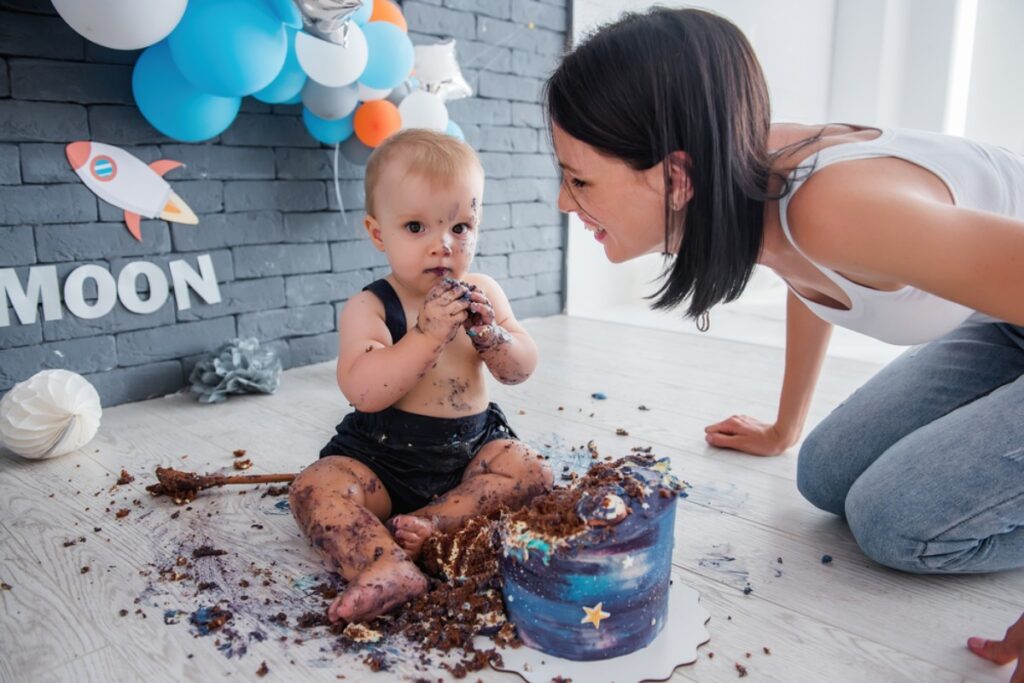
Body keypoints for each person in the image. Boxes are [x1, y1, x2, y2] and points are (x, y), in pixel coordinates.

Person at [545, 6, 1022, 677]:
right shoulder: (748, 174)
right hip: (1003, 314)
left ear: (677, 178)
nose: (566, 203)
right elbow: (806, 268)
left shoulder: (836, 209)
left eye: (581, 178)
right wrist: (785, 425)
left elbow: (821, 236)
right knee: (824, 473)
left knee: (896, 522)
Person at [288, 129, 552, 624]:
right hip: (384, 459)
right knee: (315, 487)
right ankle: (385, 564)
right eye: (416, 227)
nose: (442, 245)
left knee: (532, 470)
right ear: (378, 233)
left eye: (460, 226)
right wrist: (425, 336)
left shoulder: (483, 291)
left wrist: (493, 337)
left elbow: (522, 368)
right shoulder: (370, 306)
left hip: (472, 449)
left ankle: (434, 522)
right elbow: (364, 391)